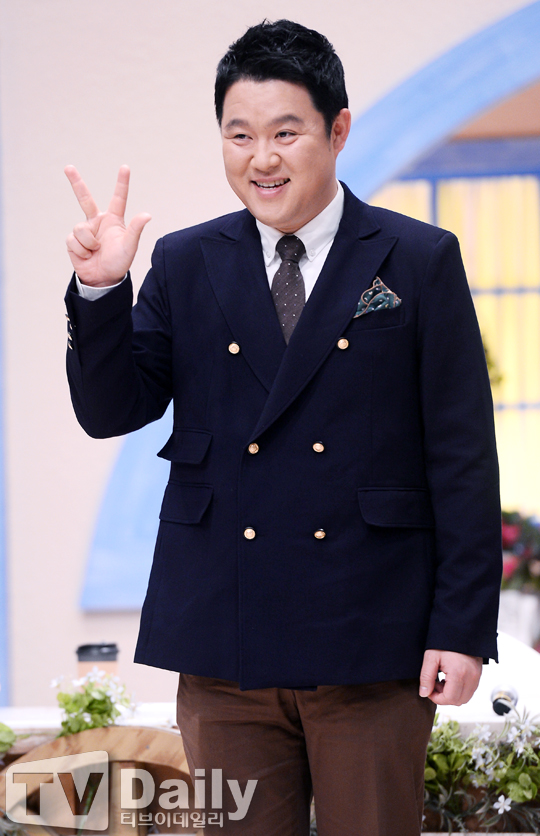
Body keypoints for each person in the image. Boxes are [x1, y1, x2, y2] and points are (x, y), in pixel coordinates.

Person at [64, 19, 502, 836]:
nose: (261, 157)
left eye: (285, 132)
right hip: (225, 641)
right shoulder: (186, 263)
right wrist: (100, 293)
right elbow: (110, 410)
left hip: (371, 639)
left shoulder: (417, 260)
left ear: (338, 131)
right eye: (239, 135)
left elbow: (463, 456)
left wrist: (463, 627)